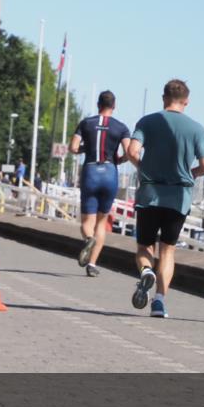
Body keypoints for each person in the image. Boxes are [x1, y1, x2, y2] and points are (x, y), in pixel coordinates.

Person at [125, 79, 204, 318]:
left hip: (150, 193)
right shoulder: (196, 129)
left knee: (145, 246)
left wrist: (141, 167)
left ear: (164, 98)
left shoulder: (148, 122)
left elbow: (131, 151)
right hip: (178, 197)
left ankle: (146, 271)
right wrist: (192, 173)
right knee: (168, 250)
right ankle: (159, 302)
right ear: (186, 101)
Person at [70, 90, 131, 277]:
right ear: (114, 106)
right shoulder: (121, 127)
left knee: (87, 221)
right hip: (110, 173)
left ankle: (89, 239)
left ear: (98, 105)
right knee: (102, 222)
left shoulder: (86, 123)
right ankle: (93, 264)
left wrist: (85, 148)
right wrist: (118, 160)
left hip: (91, 171)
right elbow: (130, 152)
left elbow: (73, 148)